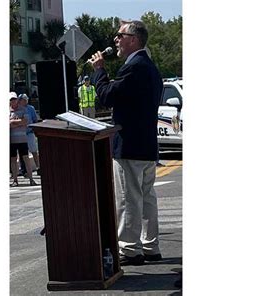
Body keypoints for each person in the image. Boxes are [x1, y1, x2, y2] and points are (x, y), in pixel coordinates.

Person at [90, 20, 163, 266]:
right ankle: (150, 245)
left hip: (130, 144)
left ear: (133, 39)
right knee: (146, 197)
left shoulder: (135, 67)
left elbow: (108, 96)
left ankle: (131, 249)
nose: (116, 41)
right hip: (145, 143)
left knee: (129, 198)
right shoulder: (149, 67)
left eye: (120, 36)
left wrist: (99, 70)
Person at [10, 92, 38, 187]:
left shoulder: (23, 109)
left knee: (26, 158)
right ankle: (15, 180)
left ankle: (31, 179)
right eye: (11, 100)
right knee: (13, 159)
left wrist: (13, 122)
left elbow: (25, 121)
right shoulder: (8, 111)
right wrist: (18, 121)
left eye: (14, 99)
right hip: (12, 140)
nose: (13, 101)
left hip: (23, 139)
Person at [18, 93, 41, 176]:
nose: (25, 101)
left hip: (30, 133)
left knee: (34, 151)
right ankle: (25, 170)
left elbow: (35, 119)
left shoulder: (31, 108)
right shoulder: (18, 109)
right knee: (23, 153)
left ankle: (38, 167)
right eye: (23, 100)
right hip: (21, 134)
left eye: (26, 99)